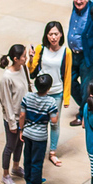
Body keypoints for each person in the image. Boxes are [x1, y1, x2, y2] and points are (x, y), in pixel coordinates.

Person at [27, 21, 73, 167]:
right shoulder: (41, 49)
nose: (53, 37)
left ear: (61, 35)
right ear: (46, 35)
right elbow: (32, 71)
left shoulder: (66, 52)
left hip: (57, 92)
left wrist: (66, 98)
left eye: (56, 34)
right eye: (50, 34)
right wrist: (30, 58)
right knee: (38, 122)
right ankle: (37, 149)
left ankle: (52, 152)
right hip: (40, 92)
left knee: (54, 123)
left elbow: (67, 75)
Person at [19, 73, 59, 184]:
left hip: (27, 132)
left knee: (28, 158)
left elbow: (22, 115)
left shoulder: (28, 97)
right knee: (37, 160)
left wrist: (21, 129)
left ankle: (29, 180)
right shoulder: (50, 102)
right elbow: (54, 120)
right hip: (40, 136)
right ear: (49, 88)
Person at [0, 44, 31, 184]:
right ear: (16, 59)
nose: (26, 58)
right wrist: (12, 123)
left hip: (24, 115)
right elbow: (6, 102)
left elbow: (29, 85)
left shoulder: (24, 68)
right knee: (10, 145)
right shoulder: (7, 78)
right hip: (14, 118)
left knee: (20, 142)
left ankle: (16, 167)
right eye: (24, 56)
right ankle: (5, 174)